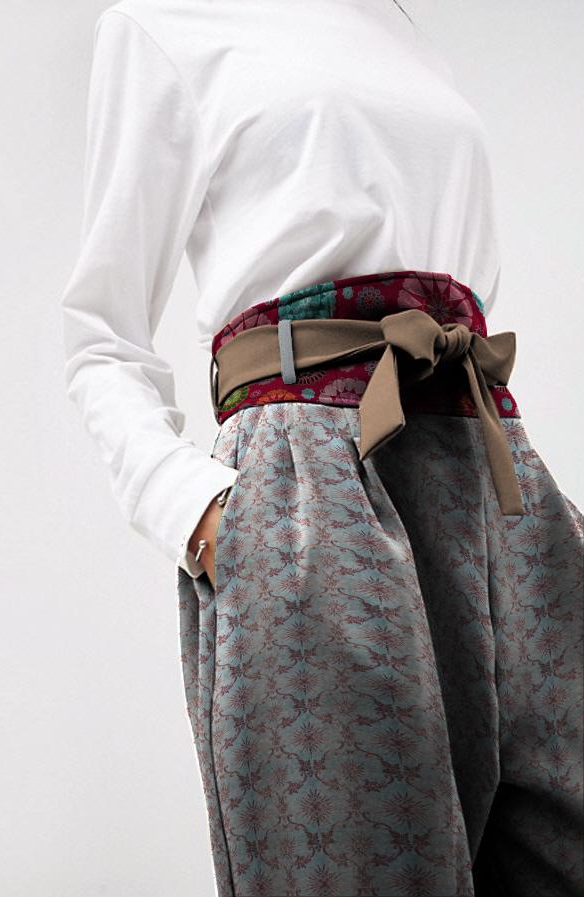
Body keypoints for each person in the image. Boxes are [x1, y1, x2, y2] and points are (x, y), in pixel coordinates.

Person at [59, 2, 584, 894]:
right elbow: (100, 337)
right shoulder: (164, 23)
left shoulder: (396, 25)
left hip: (496, 473)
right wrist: (203, 516)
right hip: (314, 484)